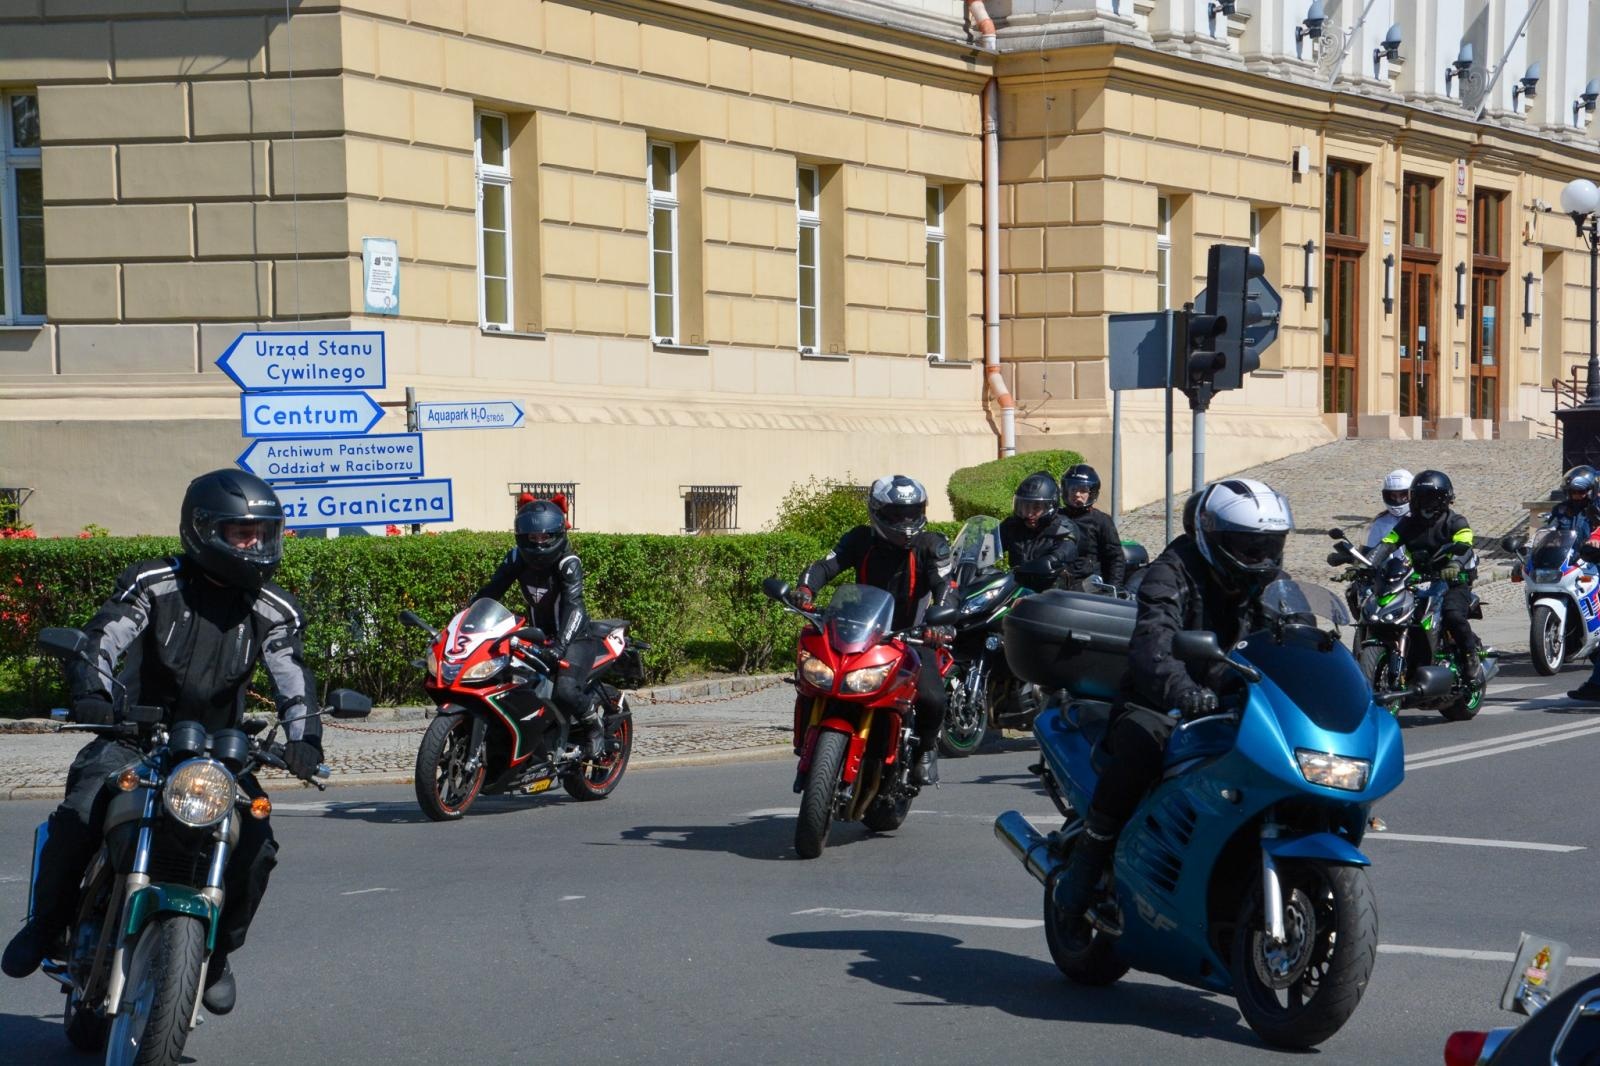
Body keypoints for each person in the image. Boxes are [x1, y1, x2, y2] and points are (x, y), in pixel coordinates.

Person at [2, 470, 324, 1016]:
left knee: (258, 841)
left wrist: (305, 738)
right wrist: (93, 695)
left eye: (262, 534)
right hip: (135, 735)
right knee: (83, 808)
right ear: (201, 530)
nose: (255, 545)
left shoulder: (274, 607)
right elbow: (104, 638)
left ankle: (216, 953)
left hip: (221, 752)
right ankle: (47, 924)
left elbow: (291, 674)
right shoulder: (153, 583)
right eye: (241, 532)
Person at [1052, 478, 1294, 949]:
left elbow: (1295, 631)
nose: (1262, 556)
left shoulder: (1268, 581)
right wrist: (1184, 690)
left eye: (1270, 545)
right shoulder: (1172, 572)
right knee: (1143, 746)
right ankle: (1086, 864)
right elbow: (1152, 645)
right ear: (1216, 539)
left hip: (1237, 701)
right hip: (1160, 700)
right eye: (1250, 545)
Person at [796, 475, 956, 786]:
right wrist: (805, 589)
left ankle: (925, 748)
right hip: (862, 631)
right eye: (897, 515)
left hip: (913, 635)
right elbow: (826, 566)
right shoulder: (860, 539)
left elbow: (946, 587)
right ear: (877, 512)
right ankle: (810, 740)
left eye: (912, 513)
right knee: (817, 677)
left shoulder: (932, 546)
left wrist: (941, 622)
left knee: (932, 697)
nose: (906, 522)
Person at [474, 499, 606, 759]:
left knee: (565, 690)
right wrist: (465, 621)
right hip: (540, 635)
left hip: (576, 639)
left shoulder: (567, 562)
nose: (537, 542)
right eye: (531, 536)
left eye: (544, 535)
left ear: (557, 535)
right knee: (506, 681)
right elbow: (491, 592)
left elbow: (574, 606)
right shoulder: (516, 557)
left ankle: (594, 725)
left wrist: (560, 646)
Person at [1368, 469, 1480, 681]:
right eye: (1418, 498)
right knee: (1398, 613)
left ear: (1443, 500)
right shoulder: (1408, 523)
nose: (1422, 503)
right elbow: (1387, 544)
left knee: (1453, 615)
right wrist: (1363, 563)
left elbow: (1465, 546)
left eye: (1429, 498)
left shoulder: (1455, 522)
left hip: (1454, 581)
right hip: (1418, 581)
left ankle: (1469, 656)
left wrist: (1455, 564)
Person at [999, 471, 1079, 591]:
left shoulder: (1064, 528)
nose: (1030, 513)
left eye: (1036, 507)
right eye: (1025, 506)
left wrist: (1051, 560)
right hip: (1017, 588)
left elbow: (1066, 550)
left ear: (1050, 507)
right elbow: (989, 544)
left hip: (1052, 592)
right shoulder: (1012, 525)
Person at [1060, 464, 1125, 591]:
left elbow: (1116, 558)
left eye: (1083, 490)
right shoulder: (1056, 517)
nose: (1077, 494)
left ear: (1091, 493)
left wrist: (1113, 590)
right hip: (1058, 584)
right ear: (1066, 490)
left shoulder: (1101, 520)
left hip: (1089, 586)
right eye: (1073, 489)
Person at [1545, 465, 1599, 540]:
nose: (1577, 495)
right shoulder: (1560, 510)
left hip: (1589, 549)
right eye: (1573, 492)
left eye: (1581, 492)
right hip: (1566, 550)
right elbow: (1550, 529)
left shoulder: (1596, 508)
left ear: (1589, 491)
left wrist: (1595, 538)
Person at [1364, 469, 1413, 550]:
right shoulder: (1380, 522)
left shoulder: (1420, 520)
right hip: (1389, 562)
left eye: (1402, 495)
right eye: (1394, 496)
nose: (1398, 500)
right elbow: (1370, 552)